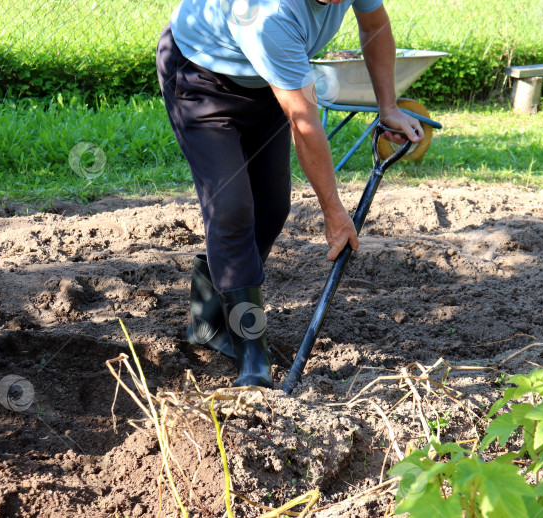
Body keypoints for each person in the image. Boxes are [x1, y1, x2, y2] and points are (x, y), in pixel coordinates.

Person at [156, 0, 423, 388]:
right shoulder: (272, 13)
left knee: (272, 208)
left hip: (266, 83)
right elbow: (303, 122)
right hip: (200, 80)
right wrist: (333, 211)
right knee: (231, 210)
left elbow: (374, 27)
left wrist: (388, 106)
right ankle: (252, 356)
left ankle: (208, 318)